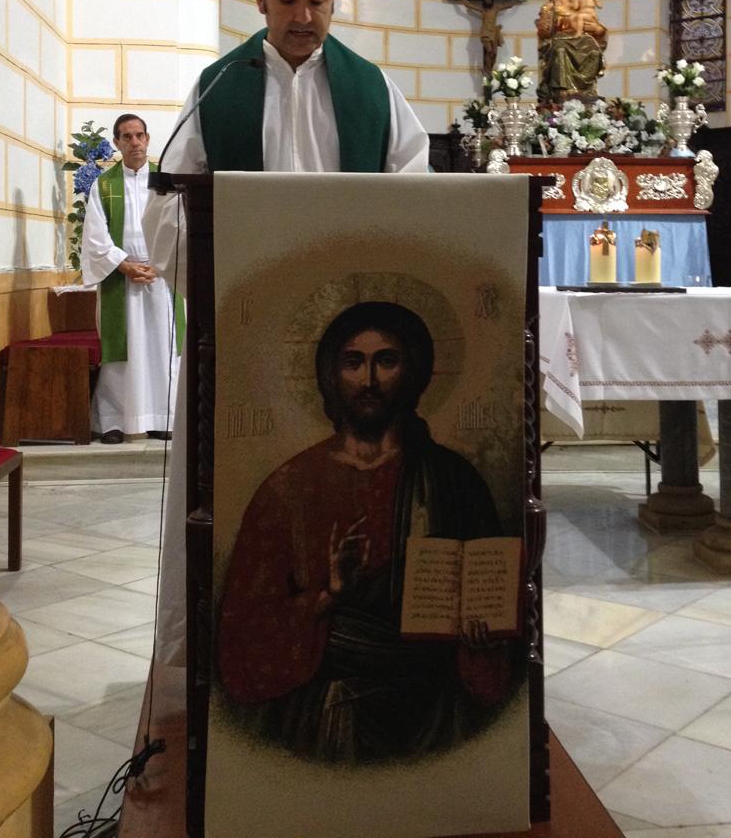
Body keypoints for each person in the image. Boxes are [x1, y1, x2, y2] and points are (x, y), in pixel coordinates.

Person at [145, 0, 430, 666]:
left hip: (351, 341)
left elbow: (415, 193)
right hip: (245, 330)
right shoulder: (218, 87)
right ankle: (228, 646)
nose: (304, 16)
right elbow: (166, 208)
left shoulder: (374, 89)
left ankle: (357, 648)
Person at [216, 301, 518, 763]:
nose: (369, 380)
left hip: (437, 713)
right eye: (353, 362)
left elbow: (491, 595)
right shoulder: (290, 487)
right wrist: (328, 597)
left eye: (386, 361)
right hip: (328, 720)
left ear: (413, 372)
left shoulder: (454, 480)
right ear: (331, 374)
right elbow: (243, 631)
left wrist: (483, 637)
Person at [81, 114, 183, 443]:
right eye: (127, 137)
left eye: (139, 135)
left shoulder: (166, 180)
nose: (135, 142)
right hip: (121, 279)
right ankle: (113, 421)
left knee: (162, 349)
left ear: (148, 139)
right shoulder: (104, 185)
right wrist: (123, 264)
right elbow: (95, 235)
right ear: (116, 143)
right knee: (122, 355)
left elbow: (181, 224)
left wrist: (160, 264)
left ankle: (163, 417)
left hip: (161, 279)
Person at [536, 0, 608, 103]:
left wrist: (598, 29)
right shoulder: (549, 6)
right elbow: (544, 32)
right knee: (560, 49)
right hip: (559, 39)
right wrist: (550, 20)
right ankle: (562, 91)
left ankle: (585, 92)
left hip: (579, 38)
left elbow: (596, 27)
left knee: (593, 50)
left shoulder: (578, 5)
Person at [459, 0, 517, 77]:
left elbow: (507, 5)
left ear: (492, 1)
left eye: (489, 0)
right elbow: (470, 5)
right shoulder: (483, 10)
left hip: (494, 32)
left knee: (494, 53)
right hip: (485, 32)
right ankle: (486, 69)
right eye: (486, 0)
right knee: (489, 51)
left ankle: (489, 69)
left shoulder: (496, 9)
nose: (488, 1)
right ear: (484, 2)